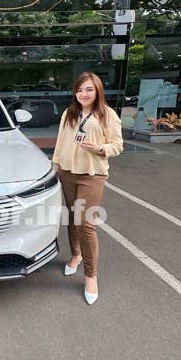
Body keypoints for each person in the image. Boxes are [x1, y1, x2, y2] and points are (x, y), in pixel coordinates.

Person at [52, 72, 123, 305]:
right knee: (72, 218)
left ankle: (91, 276)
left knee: (86, 223)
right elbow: (60, 142)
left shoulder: (107, 114)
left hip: (92, 175)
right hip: (67, 172)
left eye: (89, 89)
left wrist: (100, 149)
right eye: (80, 89)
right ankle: (76, 255)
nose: (84, 94)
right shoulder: (69, 113)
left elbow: (117, 145)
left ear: (98, 91)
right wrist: (55, 166)